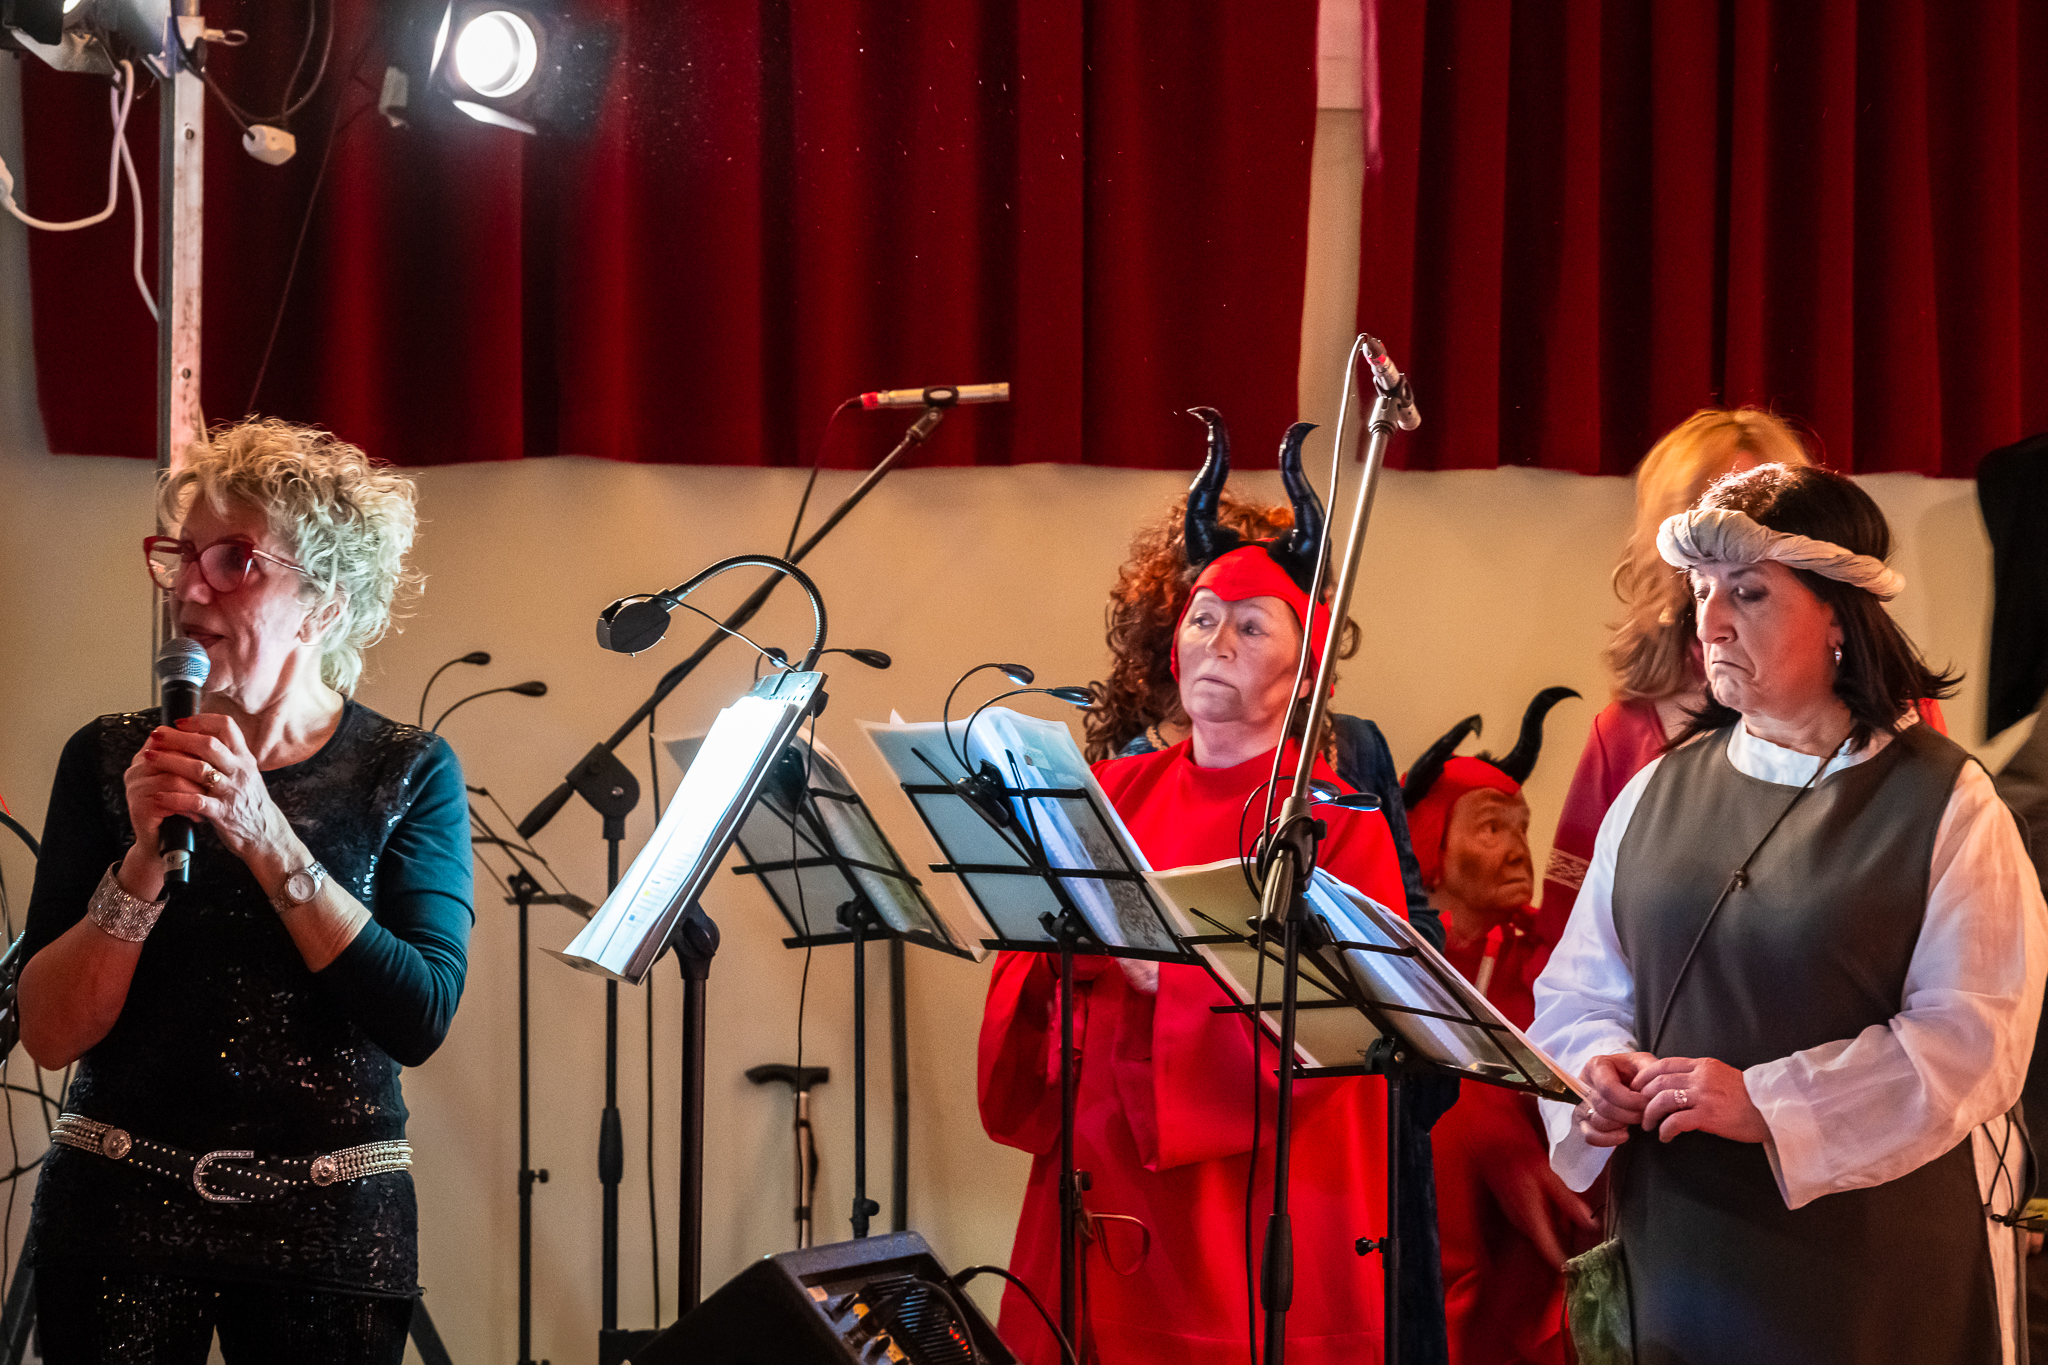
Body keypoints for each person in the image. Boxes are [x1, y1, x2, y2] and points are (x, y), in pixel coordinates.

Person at [1530, 463, 2046, 1364]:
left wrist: (1767, 1101)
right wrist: (1593, 1071)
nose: (1710, 623)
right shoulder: (1653, 792)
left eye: (1750, 592)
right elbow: (1579, 990)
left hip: (1872, 1268)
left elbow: (1974, 1038)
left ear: (1840, 615)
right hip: (1682, 1250)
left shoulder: (1946, 803)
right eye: (1701, 592)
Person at [17, 420, 472, 1363]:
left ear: (323, 606)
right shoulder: (108, 757)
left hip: (334, 1220)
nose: (188, 589)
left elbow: (418, 1015)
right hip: (118, 1214)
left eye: (233, 561)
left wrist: (265, 834)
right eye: (181, 557)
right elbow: (51, 1034)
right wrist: (142, 862)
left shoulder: (408, 770)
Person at [979, 411, 1429, 1364]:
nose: (1217, 640)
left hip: (1245, 1215)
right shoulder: (1106, 792)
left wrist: (1162, 980)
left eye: (1251, 624)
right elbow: (1030, 972)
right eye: (1203, 617)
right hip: (1095, 1189)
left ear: (1306, 666)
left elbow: (1348, 1036)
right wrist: (1056, 951)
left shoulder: (1338, 822)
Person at [1537, 409, 1814, 947]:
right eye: (1711, 521)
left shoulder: (1893, 714)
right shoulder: (1627, 732)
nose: (1732, 546)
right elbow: (1570, 938)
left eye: (1759, 518)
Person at [1401, 692, 1594, 1365]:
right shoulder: (1389, 957)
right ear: (1429, 841)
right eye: (1491, 828)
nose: (1519, 851)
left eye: (1523, 828)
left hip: (1523, 1271)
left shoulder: (1556, 957)